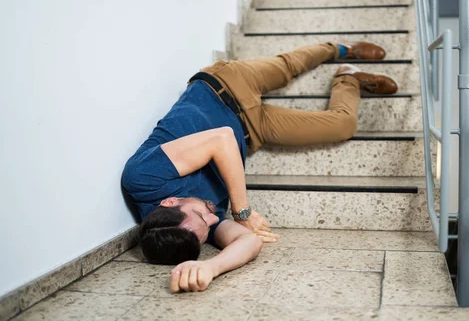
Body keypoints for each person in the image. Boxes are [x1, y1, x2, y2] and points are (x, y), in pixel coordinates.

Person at [121, 41, 398, 293]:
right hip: (252, 129)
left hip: (224, 86)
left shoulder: (143, 179)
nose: (213, 216)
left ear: (170, 202)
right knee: (343, 126)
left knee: (290, 66)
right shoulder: (193, 225)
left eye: (201, 215)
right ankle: (348, 76)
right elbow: (249, 242)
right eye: (209, 225)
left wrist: (242, 211)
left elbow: (221, 139)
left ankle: (341, 48)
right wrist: (210, 267)